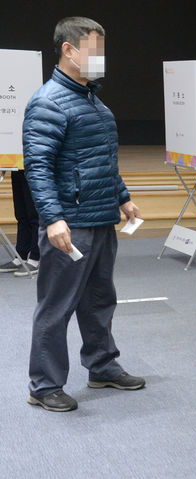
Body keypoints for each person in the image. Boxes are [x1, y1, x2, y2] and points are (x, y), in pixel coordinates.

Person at [23, 17, 145, 413]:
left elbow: (102, 161)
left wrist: (123, 198)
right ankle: (43, 386)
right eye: (94, 50)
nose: (100, 58)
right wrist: (53, 217)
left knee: (99, 300)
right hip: (69, 224)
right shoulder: (48, 101)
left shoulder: (93, 100)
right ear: (68, 50)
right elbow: (37, 167)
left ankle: (102, 366)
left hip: (100, 217)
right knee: (56, 306)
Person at [0, 170, 40, 277]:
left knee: (33, 214)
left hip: (33, 167)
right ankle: (20, 256)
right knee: (21, 214)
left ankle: (35, 258)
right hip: (16, 167)